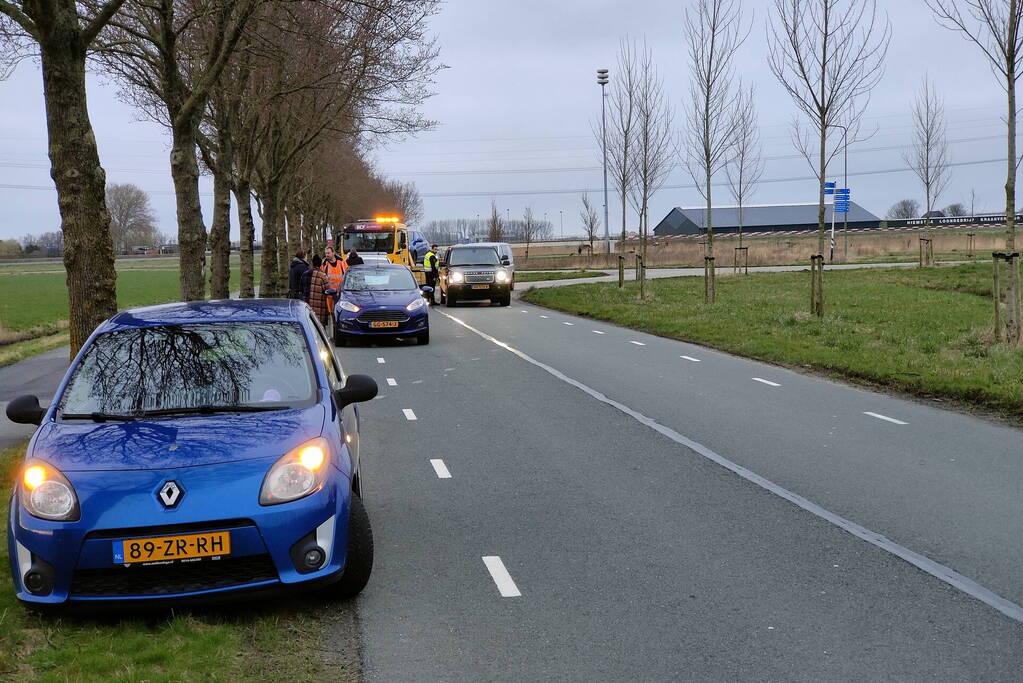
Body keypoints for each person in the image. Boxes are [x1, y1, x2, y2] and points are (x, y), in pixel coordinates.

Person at [302, 254, 331, 327]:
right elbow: (328, 290)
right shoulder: (323, 276)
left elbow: (301, 289)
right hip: (319, 310)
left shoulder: (305, 274)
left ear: (312, 263)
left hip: (307, 308)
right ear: (321, 264)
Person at [322, 245, 346, 313]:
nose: (327, 255)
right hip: (329, 295)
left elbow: (347, 275)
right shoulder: (324, 264)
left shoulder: (341, 262)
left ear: (333, 253)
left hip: (341, 293)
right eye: (326, 253)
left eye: (328, 253)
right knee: (331, 313)